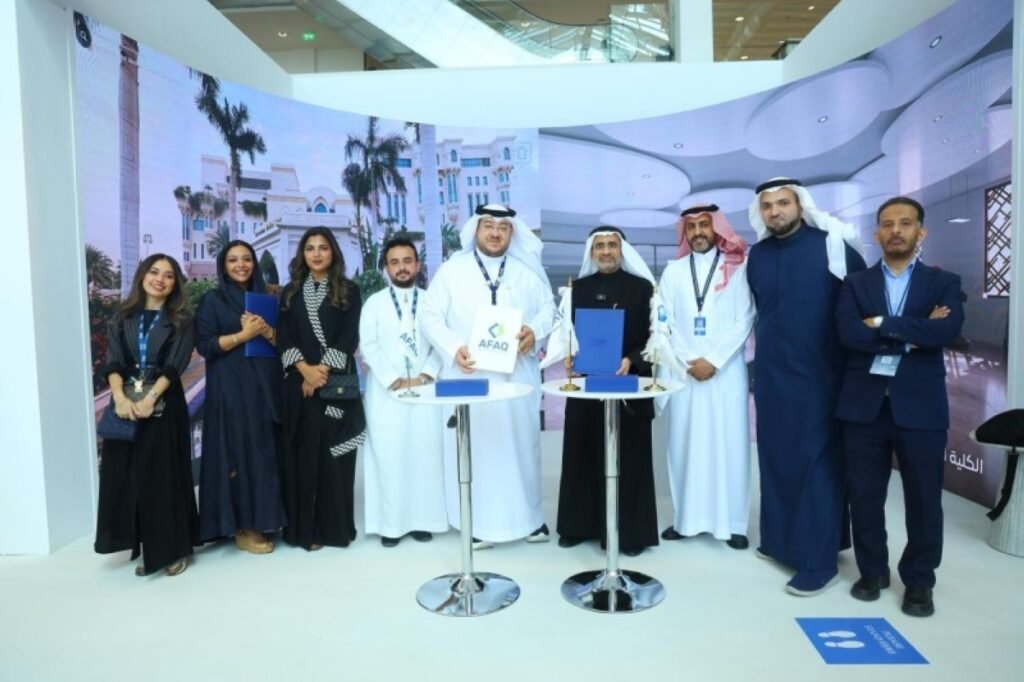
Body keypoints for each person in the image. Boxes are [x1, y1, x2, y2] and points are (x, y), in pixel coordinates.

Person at [836, 197, 964, 617]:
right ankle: (873, 572)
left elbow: (946, 330)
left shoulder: (942, 282)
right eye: (887, 224)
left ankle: (919, 580)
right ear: (876, 234)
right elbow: (848, 334)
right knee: (864, 497)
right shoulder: (855, 283)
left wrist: (881, 323)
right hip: (864, 406)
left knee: (924, 499)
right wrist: (914, 334)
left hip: (921, 407)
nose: (896, 230)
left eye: (905, 223)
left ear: (920, 232)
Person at [746, 177, 866, 596]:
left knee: (817, 462)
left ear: (800, 206)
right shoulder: (758, 255)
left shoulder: (831, 244)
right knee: (776, 458)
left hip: (820, 374)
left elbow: (863, 298)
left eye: (783, 203)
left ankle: (819, 561)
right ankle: (780, 542)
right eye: (767, 206)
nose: (775, 212)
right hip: (772, 376)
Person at [420, 204, 555, 548]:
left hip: (517, 378)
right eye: (489, 226)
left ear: (512, 233)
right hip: (469, 376)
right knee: (478, 449)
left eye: (503, 227)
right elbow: (430, 316)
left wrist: (534, 332)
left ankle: (529, 519)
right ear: (476, 230)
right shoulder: (452, 271)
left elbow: (548, 310)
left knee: (520, 447)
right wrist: (454, 348)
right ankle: (476, 523)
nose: (495, 233)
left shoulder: (527, 271)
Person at [555, 226, 658, 556]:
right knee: (582, 455)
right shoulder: (577, 289)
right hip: (586, 387)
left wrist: (632, 358)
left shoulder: (643, 289)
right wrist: (569, 356)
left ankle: (630, 535)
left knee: (629, 458)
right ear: (591, 252)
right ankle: (578, 527)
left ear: (622, 250)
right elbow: (565, 334)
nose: (606, 251)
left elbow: (656, 336)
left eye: (612, 245)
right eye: (599, 246)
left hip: (629, 385)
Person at [94, 253, 197, 577]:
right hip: (126, 401)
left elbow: (175, 364)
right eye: (154, 272)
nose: (160, 280)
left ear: (175, 284)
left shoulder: (182, 320)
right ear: (142, 276)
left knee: (163, 476)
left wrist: (151, 398)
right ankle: (142, 542)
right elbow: (113, 362)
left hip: (164, 402)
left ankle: (173, 549)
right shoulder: (122, 317)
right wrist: (120, 398)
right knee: (129, 474)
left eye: (168, 275)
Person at [660, 205, 755, 549]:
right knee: (684, 444)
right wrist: (688, 359)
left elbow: (745, 318)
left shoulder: (738, 266)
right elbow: (664, 319)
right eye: (692, 227)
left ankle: (733, 524)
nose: (698, 232)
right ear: (684, 233)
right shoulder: (673, 271)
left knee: (729, 445)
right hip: (684, 373)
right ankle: (686, 520)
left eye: (704, 225)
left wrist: (713, 360)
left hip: (725, 373)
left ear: (716, 229)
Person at [195, 240, 286, 554]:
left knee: (265, 454)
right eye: (233, 260)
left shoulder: (267, 299)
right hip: (231, 388)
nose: (241, 265)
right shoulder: (213, 300)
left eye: (246, 259)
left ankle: (268, 519)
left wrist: (267, 332)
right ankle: (243, 527)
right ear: (223, 266)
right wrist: (243, 335)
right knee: (239, 454)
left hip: (266, 387)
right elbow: (205, 345)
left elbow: (286, 344)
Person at [277, 227, 364, 550]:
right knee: (301, 457)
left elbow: (349, 336)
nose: (316, 254)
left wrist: (321, 371)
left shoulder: (349, 290)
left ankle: (336, 529)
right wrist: (304, 370)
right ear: (302, 254)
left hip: (335, 382)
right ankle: (305, 531)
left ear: (333, 253)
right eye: (310, 248)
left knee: (335, 455)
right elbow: (284, 336)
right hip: (300, 385)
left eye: (323, 248)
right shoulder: (290, 292)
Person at [360, 236, 448, 547]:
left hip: (425, 391)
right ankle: (391, 525)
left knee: (425, 456)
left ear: (418, 265)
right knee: (389, 457)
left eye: (407, 261)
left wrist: (426, 374)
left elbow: (443, 342)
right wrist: (393, 379)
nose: (401, 268)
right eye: (394, 262)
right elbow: (368, 345)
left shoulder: (432, 302)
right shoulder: (374, 303)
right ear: (386, 268)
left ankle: (423, 521)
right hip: (387, 395)